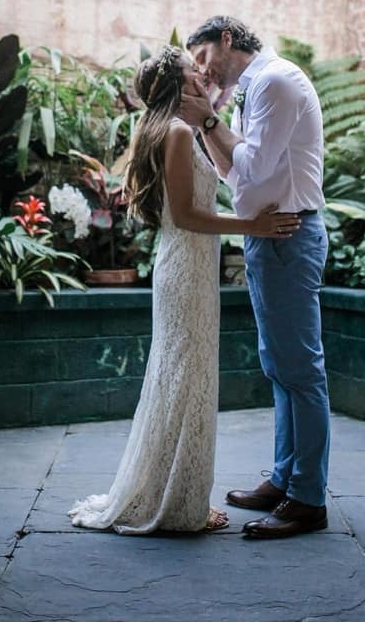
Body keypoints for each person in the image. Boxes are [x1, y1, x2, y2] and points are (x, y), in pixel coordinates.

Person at [68, 45, 301, 535]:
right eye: (191, 68)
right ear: (178, 83)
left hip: (194, 267)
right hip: (184, 267)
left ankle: (177, 496)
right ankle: (176, 504)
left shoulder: (184, 128)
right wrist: (252, 226)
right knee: (182, 380)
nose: (201, 71)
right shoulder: (175, 133)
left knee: (186, 379)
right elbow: (188, 216)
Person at [181, 16, 330, 540]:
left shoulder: (275, 81)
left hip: (288, 236)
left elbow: (257, 167)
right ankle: (285, 478)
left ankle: (308, 498)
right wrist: (209, 124)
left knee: (301, 371)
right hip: (268, 237)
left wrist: (206, 120)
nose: (201, 72)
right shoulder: (252, 89)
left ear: (227, 39)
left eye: (201, 58)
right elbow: (233, 172)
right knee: (280, 365)